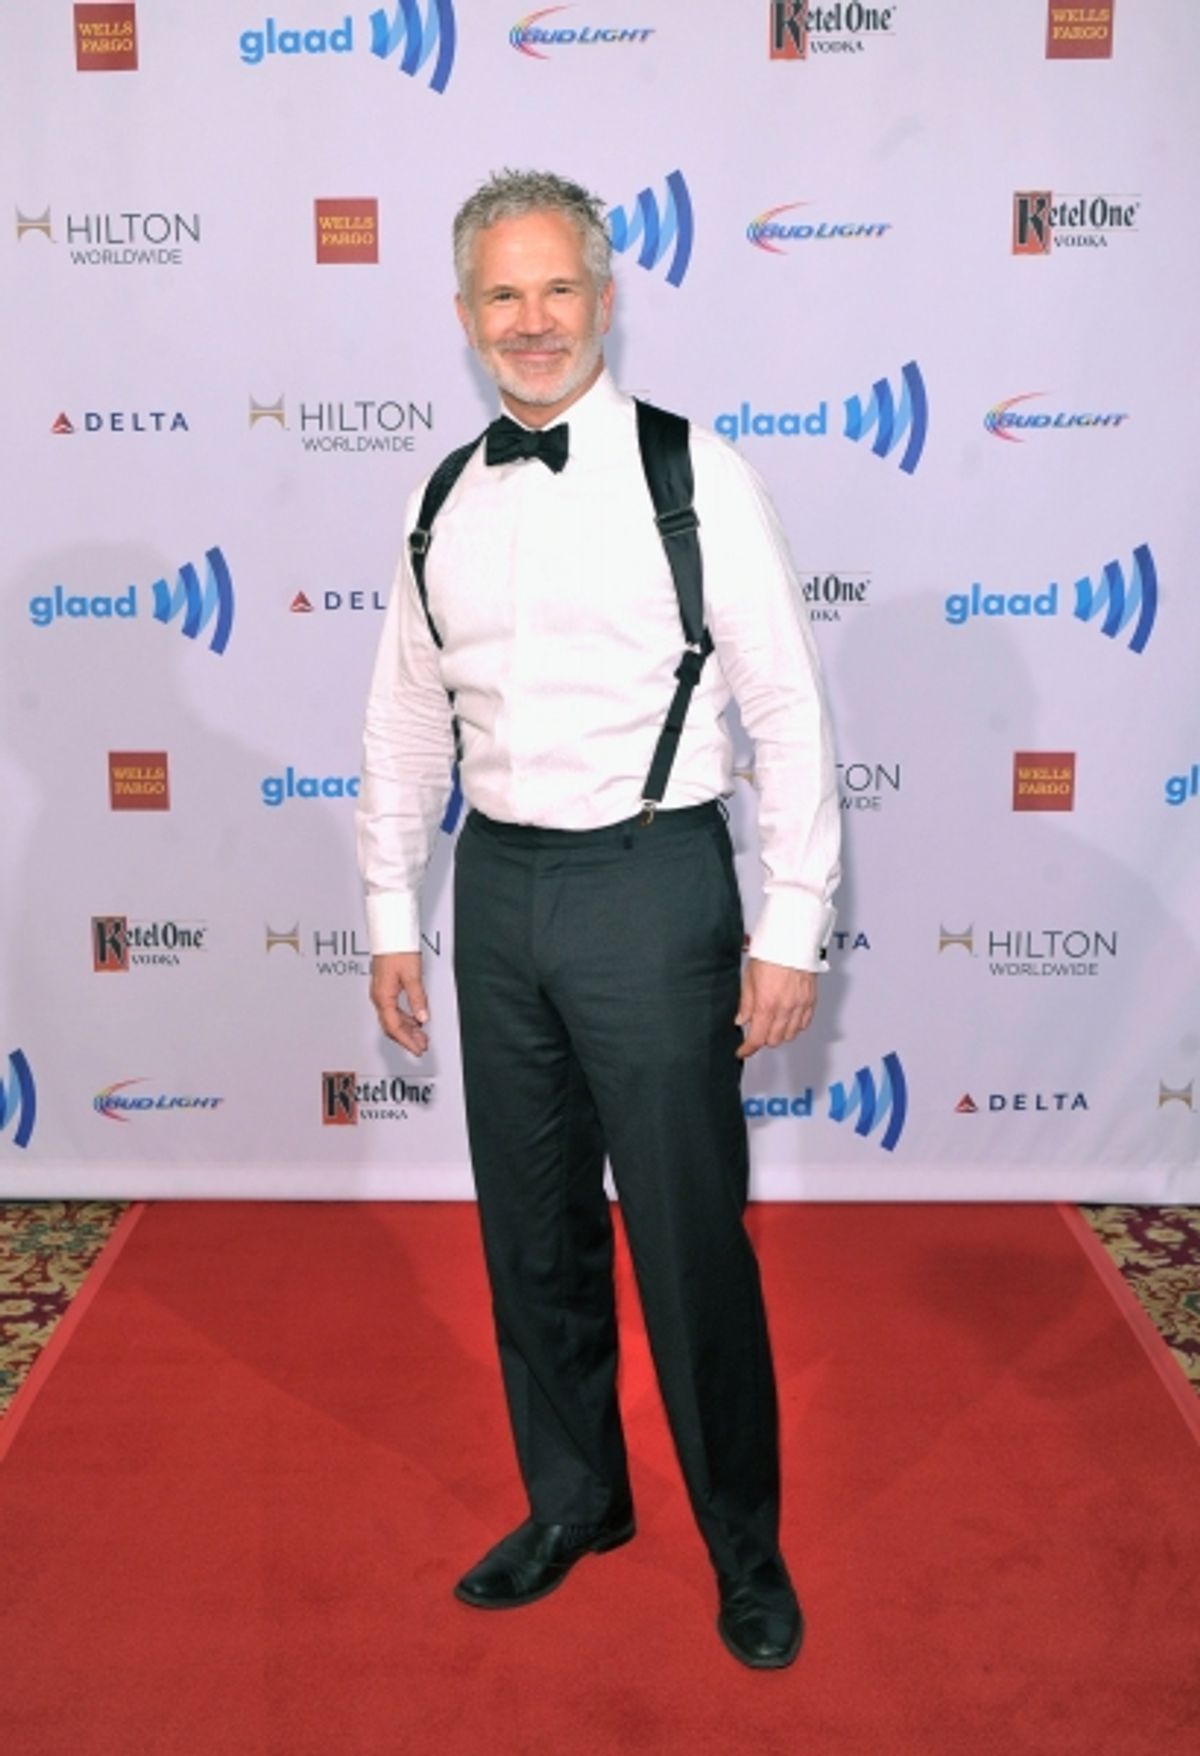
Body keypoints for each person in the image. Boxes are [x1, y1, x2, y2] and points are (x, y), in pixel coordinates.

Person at [356, 169, 840, 1670]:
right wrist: (389, 906)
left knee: (692, 1243)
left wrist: (794, 916)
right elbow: (401, 720)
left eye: (556, 288)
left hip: (652, 884)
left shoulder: (697, 478)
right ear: (463, 319)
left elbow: (786, 710)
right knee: (533, 1235)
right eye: (502, 295)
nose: (532, 320)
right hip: (496, 895)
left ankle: (743, 1548)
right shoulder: (445, 493)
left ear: (606, 296)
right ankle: (573, 1500)